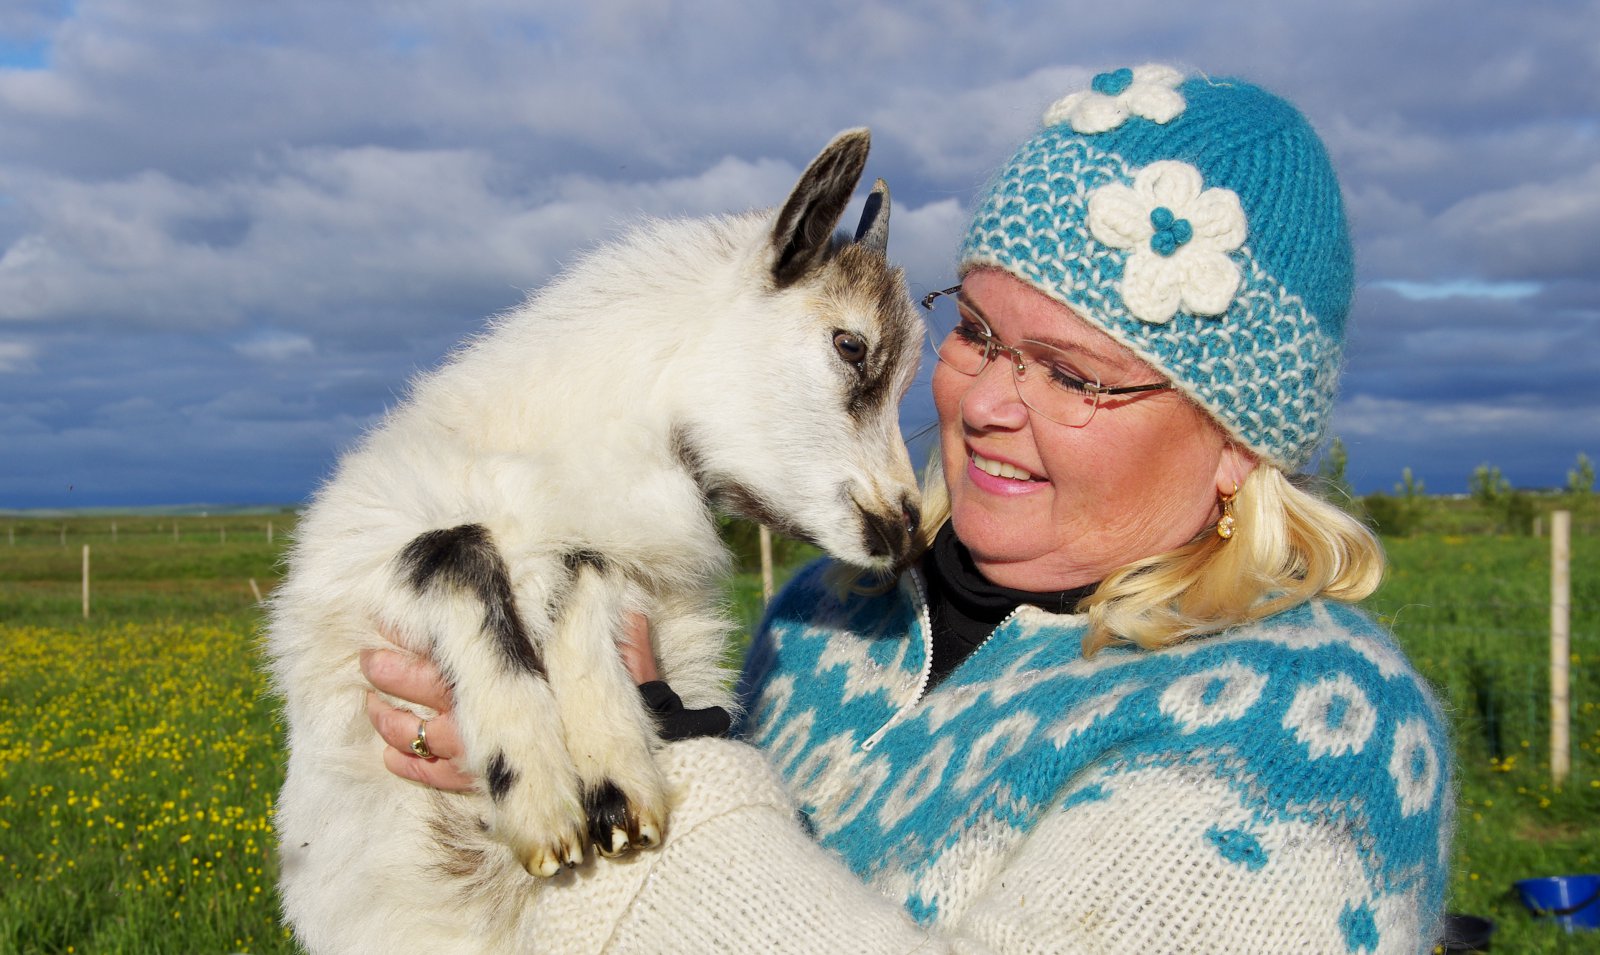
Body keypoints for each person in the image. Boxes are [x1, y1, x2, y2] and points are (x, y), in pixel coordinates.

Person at [361, 64, 1452, 952]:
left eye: (1071, 374)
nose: (981, 402)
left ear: (1235, 443)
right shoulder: (832, 617)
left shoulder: (1309, 733)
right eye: (976, 330)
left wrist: (654, 748)